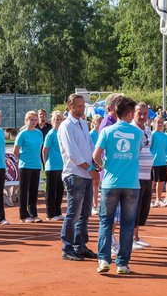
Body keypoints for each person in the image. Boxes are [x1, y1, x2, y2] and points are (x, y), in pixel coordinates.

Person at [93, 97, 143, 275]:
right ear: (129, 113)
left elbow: (96, 156)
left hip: (110, 183)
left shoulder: (106, 131)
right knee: (127, 224)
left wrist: (105, 165)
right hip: (131, 184)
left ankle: (103, 260)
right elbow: (137, 152)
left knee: (106, 222)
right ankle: (122, 263)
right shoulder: (138, 133)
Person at [58, 94, 95, 261]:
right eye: (78, 106)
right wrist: (91, 169)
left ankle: (80, 246)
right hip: (74, 174)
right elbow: (73, 153)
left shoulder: (83, 123)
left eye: (83, 105)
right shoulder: (66, 126)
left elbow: (90, 146)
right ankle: (67, 247)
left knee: (85, 213)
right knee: (73, 213)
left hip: (86, 173)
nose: (82, 108)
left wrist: (95, 162)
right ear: (70, 106)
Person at [13, 111, 44, 222]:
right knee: (24, 190)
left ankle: (33, 214)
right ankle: (24, 216)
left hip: (36, 165)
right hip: (25, 166)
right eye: (31, 120)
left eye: (35, 120)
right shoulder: (22, 134)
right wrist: (22, 161)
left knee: (33, 191)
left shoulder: (39, 133)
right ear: (26, 121)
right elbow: (15, 151)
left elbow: (39, 148)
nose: (33, 122)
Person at [132, 103, 153, 250]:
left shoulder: (147, 129)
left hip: (147, 175)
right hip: (135, 175)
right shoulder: (131, 129)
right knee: (134, 208)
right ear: (133, 113)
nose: (142, 116)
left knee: (144, 208)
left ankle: (136, 237)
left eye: (145, 114)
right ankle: (131, 239)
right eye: (139, 113)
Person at [41, 110, 65, 221]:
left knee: (60, 190)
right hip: (52, 166)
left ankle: (57, 211)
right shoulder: (51, 134)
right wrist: (45, 164)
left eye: (60, 119)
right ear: (52, 121)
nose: (58, 121)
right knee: (51, 191)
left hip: (61, 166)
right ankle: (50, 214)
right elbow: (45, 150)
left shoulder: (62, 133)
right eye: (56, 119)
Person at [150, 118, 167, 208]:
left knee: (160, 181)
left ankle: (158, 199)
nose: (160, 124)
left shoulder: (164, 135)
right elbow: (149, 148)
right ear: (154, 123)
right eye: (158, 122)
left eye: (161, 122)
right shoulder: (152, 134)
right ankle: (149, 200)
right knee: (152, 182)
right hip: (154, 162)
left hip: (162, 161)